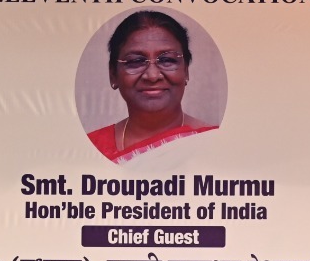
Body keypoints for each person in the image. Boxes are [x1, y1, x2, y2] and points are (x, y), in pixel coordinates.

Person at [86, 10, 218, 163]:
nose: (152, 76)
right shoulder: (89, 150)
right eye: (135, 61)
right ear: (113, 75)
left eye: (167, 60)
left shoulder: (216, 145)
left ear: (186, 71)